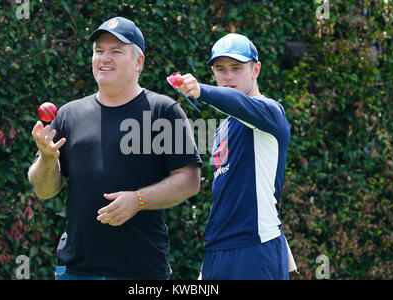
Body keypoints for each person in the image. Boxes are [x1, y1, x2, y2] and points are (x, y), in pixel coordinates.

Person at [28, 16, 202, 280]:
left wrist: (138, 200)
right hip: (75, 271)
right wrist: (48, 159)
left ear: (138, 61)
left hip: (141, 272)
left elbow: (189, 181)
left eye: (116, 51)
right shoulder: (68, 115)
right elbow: (45, 190)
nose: (104, 58)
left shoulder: (163, 110)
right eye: (99, 51)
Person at [178, 33, 293, 279]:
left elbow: (237, 102)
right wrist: (207, 265)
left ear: (256, 70)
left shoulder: (271, 112)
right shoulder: (223, 129)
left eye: (236, 68)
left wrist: (201, 91)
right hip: (218, 252)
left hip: (256, 247)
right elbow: (225, 194)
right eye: (220, 69)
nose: (227, 76)